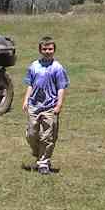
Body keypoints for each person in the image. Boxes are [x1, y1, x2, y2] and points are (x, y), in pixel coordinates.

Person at [22, 36, 69, 175]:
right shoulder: (34, 66)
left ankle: (43, 163)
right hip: (34, 105)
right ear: (40, 50)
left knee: (46, 136)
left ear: (54, 50)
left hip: (50, 106)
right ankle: (38, 153)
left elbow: (61, 87)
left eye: (50, 49)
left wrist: (59, 104)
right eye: (44, 49)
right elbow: (30, 84)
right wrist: (26, 100)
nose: (47, 51)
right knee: (31, 134)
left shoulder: (57, 68)